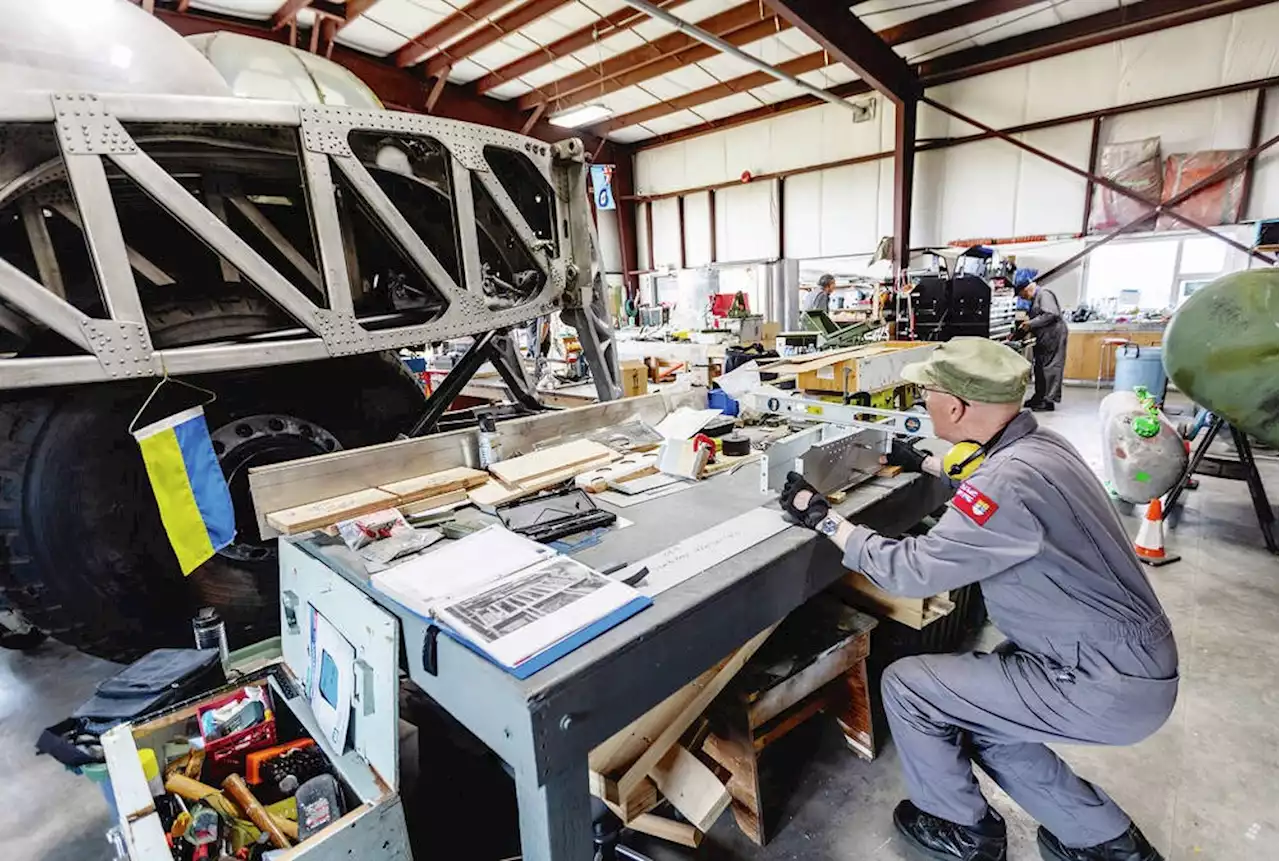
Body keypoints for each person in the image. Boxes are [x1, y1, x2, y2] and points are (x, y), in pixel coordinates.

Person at [777, 338, 1177, 861]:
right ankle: (1103, 840)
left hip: (1098, 680)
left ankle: (964, 831)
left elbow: (911, 569)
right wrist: (925, 462)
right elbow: (985, 479)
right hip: (1128, 661)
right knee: (987, 722)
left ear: (957, 407)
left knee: (909, 687)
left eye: (927, 393)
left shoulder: (1005, 486)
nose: (922, 401)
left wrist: (821, 517)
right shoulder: (1043, 447)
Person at [1018, 280, 1068, 412]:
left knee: (1051, 367)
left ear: (1026, 289)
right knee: (1039, 366)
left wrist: (1030, 323)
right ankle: (1039, 396)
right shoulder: (1036, 298)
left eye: (1022, 295)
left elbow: (1051, 314)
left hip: (1054, 335)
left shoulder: (1044, 294)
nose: (1023, 298)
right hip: (1044, 337)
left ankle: (1048, 401)